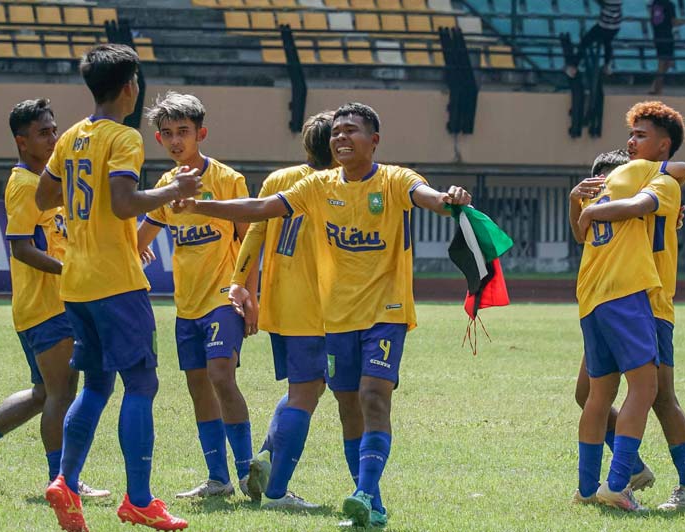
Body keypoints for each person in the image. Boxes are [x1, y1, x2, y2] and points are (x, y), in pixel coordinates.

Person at [171, 102, 472, 527]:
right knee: (346, 404)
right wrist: (199, 206)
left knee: (369, 396)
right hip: (334, 317)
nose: (342, 137)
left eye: (352, 131)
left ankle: (363, 492)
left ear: (375, 141)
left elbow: (427, 198)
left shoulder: (395, 179)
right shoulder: (316, 186)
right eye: (337, 132)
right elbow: (259, 212)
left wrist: (449, 200)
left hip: (384, 312)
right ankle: (372, 505)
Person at [35, 44, 200, 532]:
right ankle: (140, 500)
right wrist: (174, 191)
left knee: (98, 384)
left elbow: (45, 195)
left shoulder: (70, 136)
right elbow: (126, 203)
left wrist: (79, 195)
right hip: (116, 282)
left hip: (77, 281)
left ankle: (65, 481)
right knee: (141, 383)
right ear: (131, 86)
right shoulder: (124, 138)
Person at [0, 99, 108, 499]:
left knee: (43, 393)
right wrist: (68, 272)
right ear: (22, 142)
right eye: (44, 133)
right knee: (61, 393)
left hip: (44, 305)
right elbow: (20, 247)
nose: (54, 138)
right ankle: (63, 483)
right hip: (46, 306)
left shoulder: (46, 181)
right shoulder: (24, 186)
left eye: (54, 129)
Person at [576, 102, 685, 511]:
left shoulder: (663, 181)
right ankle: (631, 472)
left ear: (663, 146)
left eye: (641, 136)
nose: (631, 142)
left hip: (649, 300)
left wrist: (594, 208)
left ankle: (684, 481)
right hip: (618, 298)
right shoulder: (635, 178)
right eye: (630, 136)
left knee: (659, 396)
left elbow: (674, 177)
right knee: (594, 393)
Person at [136, 92, 255, 499]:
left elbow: (248, 240)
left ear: (200, 133)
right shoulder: (165, 187)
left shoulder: (226, 179)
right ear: (158, 140)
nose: (175, 141)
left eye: (183, 132)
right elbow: (141, 237)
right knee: (199, 387)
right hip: (186, 305)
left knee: (222, 376)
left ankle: (247, 472)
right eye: (166, 133)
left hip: (224, 297)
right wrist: (133, 247)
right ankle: (218, 479)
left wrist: (249, 292)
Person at [226, 111, 335, 510]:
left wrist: (242, 284)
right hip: (313, 304)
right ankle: (277, 493)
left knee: (306, 387)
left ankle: (266, 459)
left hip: (280, 302)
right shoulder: (334, 187)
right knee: (306, 392)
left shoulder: (278, 179)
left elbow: (254, 230)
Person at [565, 0, 622, 77]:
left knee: (585, 42)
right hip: (615, 26)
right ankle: (607, 65)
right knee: (607, 44)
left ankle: (573, 67)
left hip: (604, 25)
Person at [649, 0, 685, 94]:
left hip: (657, 36)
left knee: (666, 63)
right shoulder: (669, 4)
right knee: (663, 63)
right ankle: (657, 89)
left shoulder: (655, 3)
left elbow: (655, 21)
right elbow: (674, 22)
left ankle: (655, 86)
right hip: (666, 36)